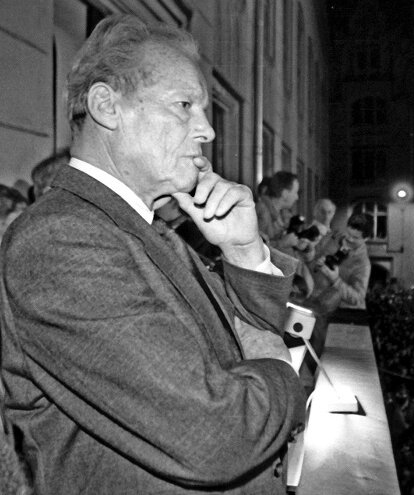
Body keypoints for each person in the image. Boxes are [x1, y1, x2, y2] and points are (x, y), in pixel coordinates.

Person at [0, 14, 304, 495]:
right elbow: (219, 436)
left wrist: (245, 251)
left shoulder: (149, 226)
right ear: (107, 106)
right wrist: (282, 367)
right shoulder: (60, 241)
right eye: (185, 105)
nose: (207, 131)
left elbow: (242, 350)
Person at [306, 212, 372, 314]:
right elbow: (310, 260)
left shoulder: (363, 264)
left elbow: (358, 298)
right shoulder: (331, 237)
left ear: (366, 239)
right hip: (307, 297)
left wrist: (336, 280)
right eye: (349, 233)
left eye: (355, 238)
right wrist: (315, 261)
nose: (349, 239)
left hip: (328, 312)